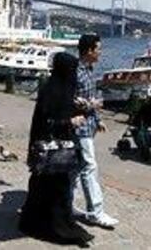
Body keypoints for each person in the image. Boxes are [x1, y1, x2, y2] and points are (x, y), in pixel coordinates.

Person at [20, 52, 94, 246]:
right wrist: (70, 121)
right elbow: (48, 121)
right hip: (53, 151)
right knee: (55, 189)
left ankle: (42, 223)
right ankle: (56, 227)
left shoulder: (57, 87)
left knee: (46, 187)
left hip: (53, 150)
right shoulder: (53, 90)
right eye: (72, 69)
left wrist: (82, 106)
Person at [68, 34, 118, 229]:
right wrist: (91, 105)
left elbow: (90, 97)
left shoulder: (89, 70)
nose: (100, 52)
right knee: (89, 166)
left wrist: (98, 119)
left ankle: (67, 204)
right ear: (89, 51)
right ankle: (95, 212)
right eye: (98, 49)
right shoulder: (75, 72)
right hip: (78, 127)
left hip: (88, 126)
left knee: (75, 168)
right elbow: (71, 100)